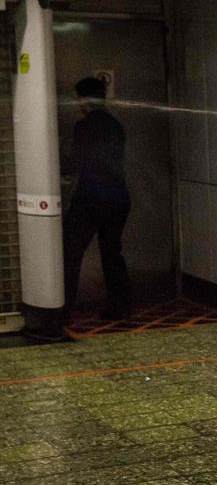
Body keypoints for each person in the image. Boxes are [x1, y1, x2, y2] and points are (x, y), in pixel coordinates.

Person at [63, 76, 131, 321]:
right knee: (112, 254)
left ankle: (62, 308)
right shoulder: (116, 125)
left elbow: (77, 161)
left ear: (84, 99)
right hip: (118, 198)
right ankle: (121, 307)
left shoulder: (83, 127)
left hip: (90, 199)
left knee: (69, 252)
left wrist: (58, 171)